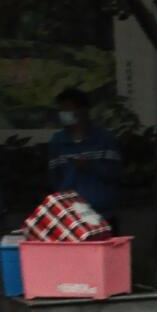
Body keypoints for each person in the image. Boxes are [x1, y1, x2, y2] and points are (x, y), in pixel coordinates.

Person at [47, 88, 122, 230]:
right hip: (70, 217)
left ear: (83, 110)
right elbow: (54, 179)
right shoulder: (57, 142)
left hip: (103, 215)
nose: (63, 113)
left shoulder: (104, 139)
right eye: (61, 109)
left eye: (67, 108)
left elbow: (114, 174)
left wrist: (91, 166)